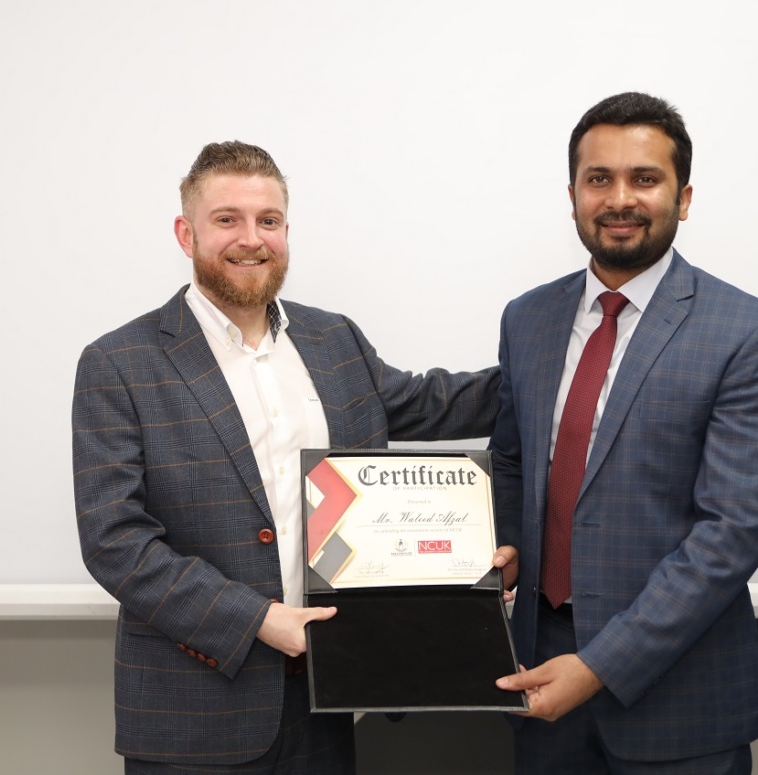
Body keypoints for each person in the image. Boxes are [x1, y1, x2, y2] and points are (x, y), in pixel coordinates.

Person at [73, 141, 498, 774]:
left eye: (268, 220)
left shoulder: (334, 340)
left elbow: (432, 403)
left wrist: (558, 364)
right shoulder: (119, 364)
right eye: (228, 220)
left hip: (328, 697)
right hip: (193, 711)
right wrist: (261, 621)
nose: (251, 239)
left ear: (286, 231)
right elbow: (115, 542)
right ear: (185, 232)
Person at [489, 92, 758, 774]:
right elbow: (511, 461)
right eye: (599, 179)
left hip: (679, 699)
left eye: (645, 178)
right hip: (538, 681)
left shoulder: (748, 333)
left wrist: (599, 665)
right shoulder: (527, 318)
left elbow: (732, 533)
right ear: (572, 194)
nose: (619, 198)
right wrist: (507, 541)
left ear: (683, 197)